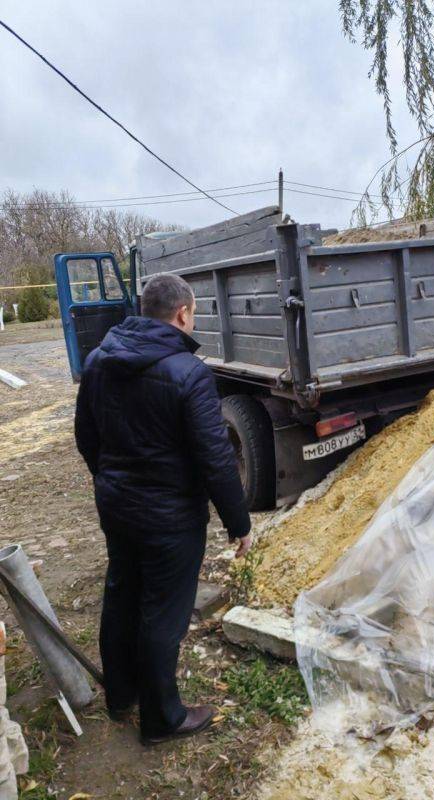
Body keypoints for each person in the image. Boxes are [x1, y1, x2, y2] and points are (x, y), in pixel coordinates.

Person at [74, 272, 252, 745]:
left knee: (122, 593)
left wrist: (111, 478)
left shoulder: (98, 359)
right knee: (163, 613)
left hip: (117, 506)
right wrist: (240, 523)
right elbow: (215, 459)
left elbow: (85, 435)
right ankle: (162, 719)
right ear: (182, 314)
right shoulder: (188, 372)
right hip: (169, 518)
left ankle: (120, 695)